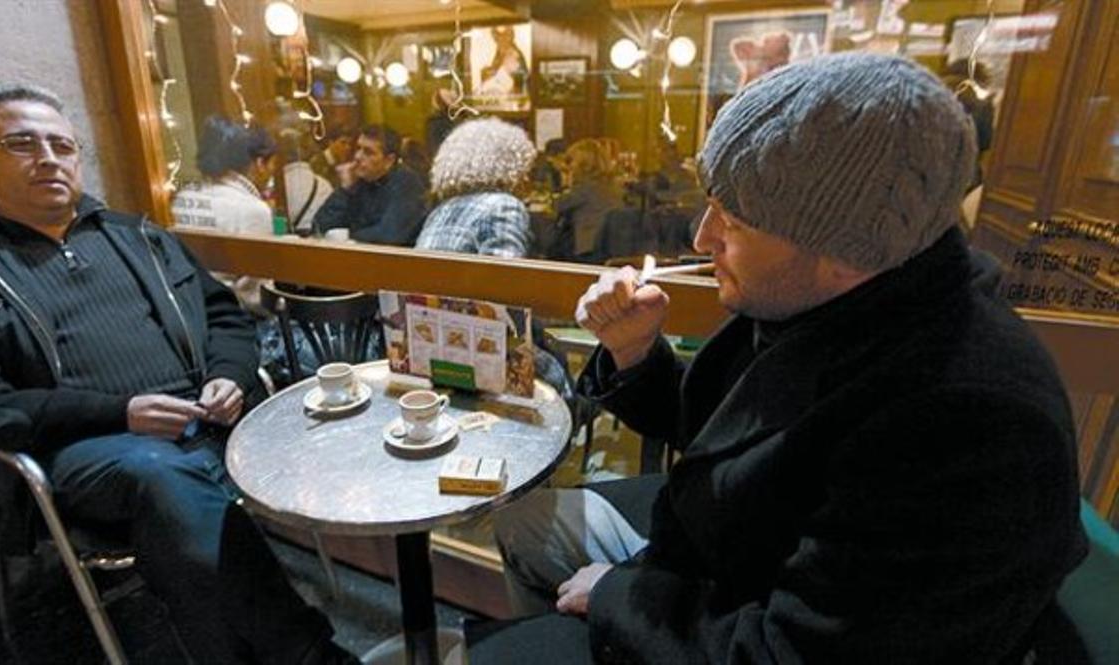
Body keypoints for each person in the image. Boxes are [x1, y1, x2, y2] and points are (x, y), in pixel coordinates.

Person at [481, 54, 1085, 663]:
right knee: (526, 524)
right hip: (722, 555)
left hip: (749, 620)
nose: (700, 238)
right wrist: (635, 352)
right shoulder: (835, 294)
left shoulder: (972, 427)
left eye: (734, 221)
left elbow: (793, 653)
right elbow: (736, 433)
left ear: (843, 250)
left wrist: (613, 596)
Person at [0, 84, 358, 664]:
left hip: (206, 421)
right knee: (164, 477)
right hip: (86, 449)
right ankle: (310, 653)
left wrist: (230, 376)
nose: (48, 158)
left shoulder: (141, 237)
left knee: (316, 441)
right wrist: (119, 413)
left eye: (62, 145)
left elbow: (225, 315)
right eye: (22, 144)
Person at [415, 117, 536, 258]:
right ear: (508, 166)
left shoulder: (441, 210)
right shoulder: (502, 205)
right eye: (524, 167)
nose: (526, 177)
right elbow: (505, 275)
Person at [309, 124, 427, 246]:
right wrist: (344, 190)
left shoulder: (407, 183)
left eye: (368, 152)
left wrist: (349, 235)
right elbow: (319, 226)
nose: (357, 157)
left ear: (389, 161)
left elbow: (390, 235)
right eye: (358, 148)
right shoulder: (358, 181)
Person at [171, 115, 277, 235]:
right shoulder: (255, 211)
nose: (273, 169)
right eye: (273, 163)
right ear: (259, 163)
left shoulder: (183, 198)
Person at [556, 138, 621, 261]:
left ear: (583, 165)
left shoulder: (586, 188)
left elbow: (557, 206)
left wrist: (567, 180)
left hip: (587, 249)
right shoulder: (612, 185)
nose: (568, 166)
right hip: (611, 248)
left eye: (571, 161)